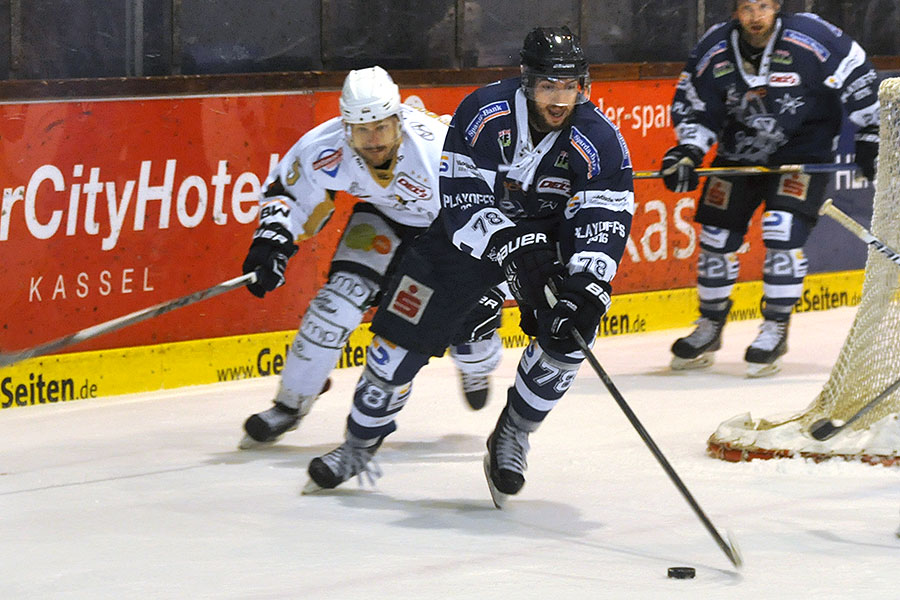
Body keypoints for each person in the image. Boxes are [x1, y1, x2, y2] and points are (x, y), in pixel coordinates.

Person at [303, 27, 634, 508]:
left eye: (570, 86)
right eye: (549, 86)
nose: (560, 99)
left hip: (548, 244)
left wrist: (587, 283)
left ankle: (512, 435)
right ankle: (357, 444)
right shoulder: (483, 112)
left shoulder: (599, 139)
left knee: (570, 335)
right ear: (527, 81)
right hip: (466, 240)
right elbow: (461, 202)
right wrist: (511, 244)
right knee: (394, 346)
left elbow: (605, 217)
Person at [239, 66, 505, 449]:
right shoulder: (325, 146)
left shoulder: (436, 148)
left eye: (382, 127)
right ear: (346, 128)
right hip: (383, 219)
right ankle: (290, 404)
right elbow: (287, 191)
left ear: (399, 119)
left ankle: (476, 365)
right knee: (336, 303)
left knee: (471, 326)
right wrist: (271, 243)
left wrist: (484, 275)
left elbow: (486, 208)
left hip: (445, 232)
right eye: (362, 130)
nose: (373, 140)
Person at [662, 0, 880, 377]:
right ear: (735, 11)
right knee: (715, 236)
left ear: (777, 6)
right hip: (737, 154)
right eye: (747, 7)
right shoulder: (715, 47)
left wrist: (870, 131)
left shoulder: (810, 35)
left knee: (781, 229)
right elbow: (695, 104)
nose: (755, 17)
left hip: (801, 153)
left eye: (763, 5)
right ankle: (709, 327)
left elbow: (857, 72)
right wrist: (687, 151)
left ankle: (775, 328)